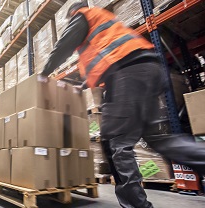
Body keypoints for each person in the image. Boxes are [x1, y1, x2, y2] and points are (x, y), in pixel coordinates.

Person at [40, 2, 205, 207]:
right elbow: (101, 59)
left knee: (115, 141)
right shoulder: (103, 20)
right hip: (148, 70)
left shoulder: (83, 16)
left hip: (128, 73)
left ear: (73, 12)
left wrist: (43, 74)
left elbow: (62, 47)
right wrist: (83, 85)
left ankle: (136, 205)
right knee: (161, 141)